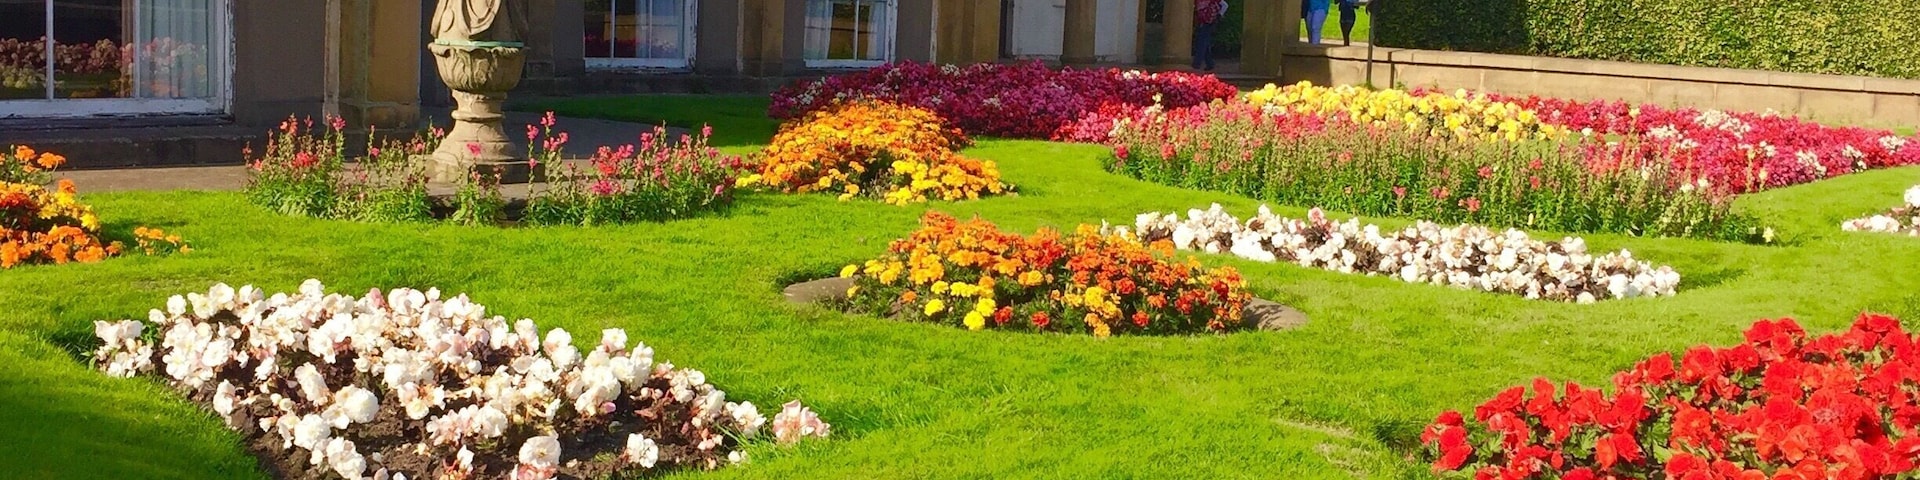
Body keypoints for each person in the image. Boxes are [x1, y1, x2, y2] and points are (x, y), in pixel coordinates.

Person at [1194, 0, 1228, 71]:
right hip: (1206, 21)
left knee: (1201, 42)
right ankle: (1209, 63)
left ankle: (1197, 63)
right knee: (1204, 42)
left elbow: (1225, 5)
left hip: (1207, 22)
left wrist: (1218, 15)